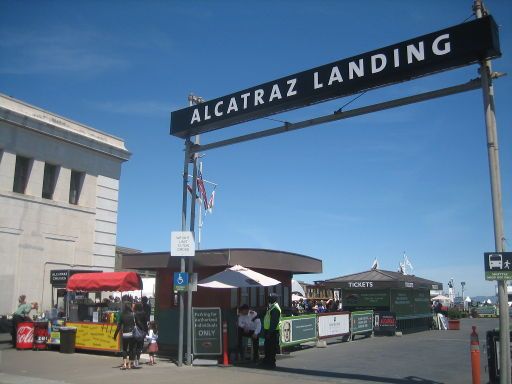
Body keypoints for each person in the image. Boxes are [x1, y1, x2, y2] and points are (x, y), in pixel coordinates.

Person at [260, 293, 281, 369]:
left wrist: (269, 332)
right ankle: (266, 361)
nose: (268, 299)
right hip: (268, 330)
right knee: (267, 347)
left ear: (273, 299)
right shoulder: (271, 307)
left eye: (269, 298)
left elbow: (274, 322)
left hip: (272, 332)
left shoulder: (275, 308)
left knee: (272, 348)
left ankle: (271, 363)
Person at [113, 301, 137, 370]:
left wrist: (115, 335)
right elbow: (137, 323)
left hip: (125, 334)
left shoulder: (122, 315)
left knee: (124, 349)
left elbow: (119, 326)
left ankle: (124, 364)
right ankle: (129, 365)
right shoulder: (133, 314)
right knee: (131, 349)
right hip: (132, 334)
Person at [133, 303, 148, 368]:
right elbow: (145, 323)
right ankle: (138, 360)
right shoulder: (144, 313)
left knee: (134, 346)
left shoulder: (134, 313)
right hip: (142, 331)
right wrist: (145, 331)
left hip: (135, 331)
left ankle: (134, 360)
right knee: (140, 346)